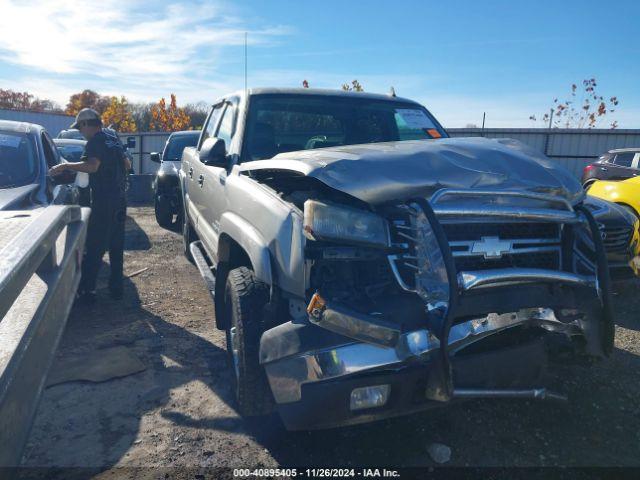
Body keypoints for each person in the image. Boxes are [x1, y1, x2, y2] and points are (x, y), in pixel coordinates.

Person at [49, 108, 131, 302]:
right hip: (120, 199)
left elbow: (92, 166)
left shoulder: (95, 142)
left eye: (80, 128)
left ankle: (87, 290)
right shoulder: (113, 139)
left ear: (86, 124)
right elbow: (127, 165)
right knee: (116, 244)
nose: (80, 132)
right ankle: (116, 289)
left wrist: (66, 165)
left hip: (103, 201)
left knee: (95, 245)